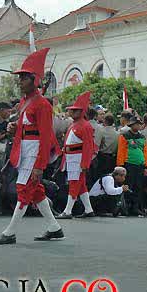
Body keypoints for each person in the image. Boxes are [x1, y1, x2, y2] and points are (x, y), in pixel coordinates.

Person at [0, 48, 63, 245]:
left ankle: (10, 232)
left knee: (23, 188)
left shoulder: (43, 105)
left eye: (23, 78)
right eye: (19, 77)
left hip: (34, 151)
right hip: (24, 149)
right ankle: (54, 227)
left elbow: (46, 136)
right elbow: (25, 127)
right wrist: (14, 127)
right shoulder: (25, 101)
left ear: (34, 79)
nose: (20, 81)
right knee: (35, 191)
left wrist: (40, 164)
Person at [56, 91, 97, 219]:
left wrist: (85, 163)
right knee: (81, 185)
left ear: (81, 112)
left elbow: (89, 147)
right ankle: (89, 209)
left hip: (77, 158)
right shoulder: (74, 124)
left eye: (74, 111)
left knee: (74, 183)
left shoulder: (86, 126)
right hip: (71, 157)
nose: (71, 113)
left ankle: (67, 211)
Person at [116, 115, 147, 216]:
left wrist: (146, 166)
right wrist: (120, 166)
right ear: (132, 125)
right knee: (128, 186)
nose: (139, 126)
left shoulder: (142, 137)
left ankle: (135, 208)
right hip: (128, 165)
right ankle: (126, 207)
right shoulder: (124, 136)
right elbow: (121, 151)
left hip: (140, 166)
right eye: (137, 124)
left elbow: (145, 152)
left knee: (138, 187)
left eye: (140, 124)